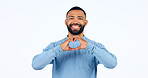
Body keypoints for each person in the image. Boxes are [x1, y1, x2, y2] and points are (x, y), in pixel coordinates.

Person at [32, 6, 117, 78]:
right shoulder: (55, 46)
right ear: (66, 22)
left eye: (80, 18)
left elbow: (112, 63)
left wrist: (89, 47)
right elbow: (36, 65)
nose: (75, 21)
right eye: (71, 18)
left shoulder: (94, 46)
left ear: (85, 22)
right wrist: (59, 49)